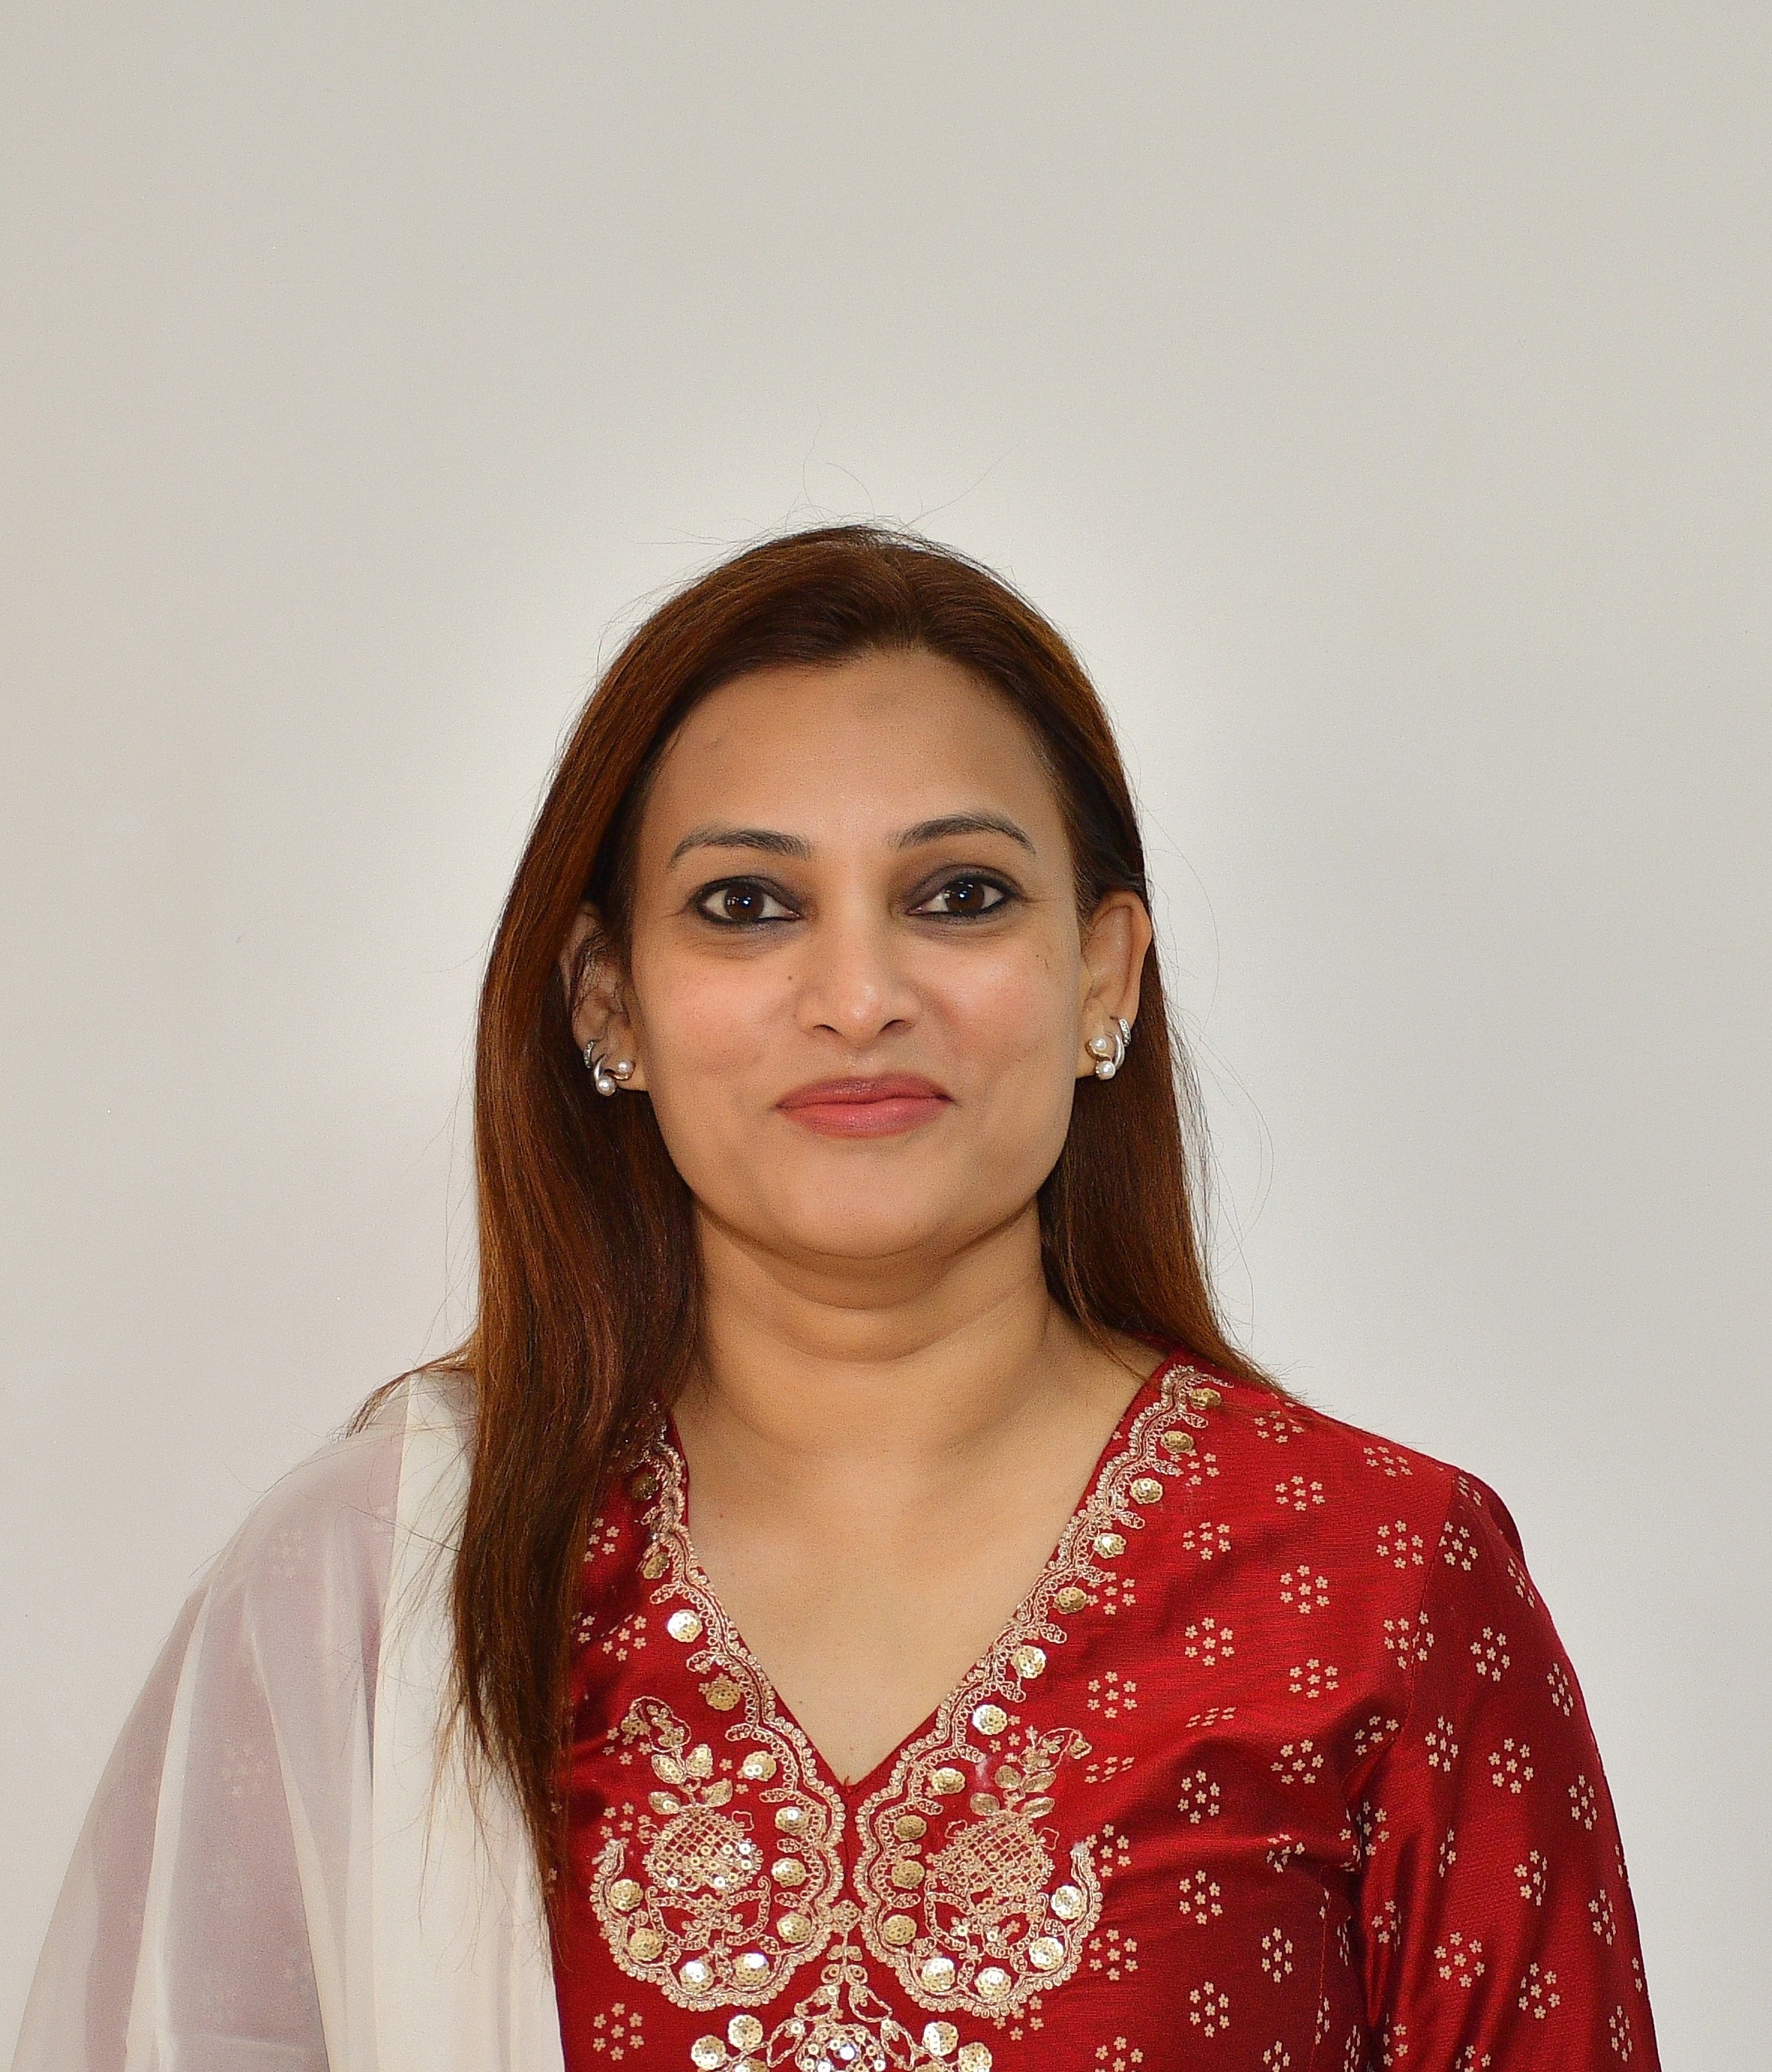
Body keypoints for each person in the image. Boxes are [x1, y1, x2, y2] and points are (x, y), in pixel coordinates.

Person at [13, 526, 1660, 2072]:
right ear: (607, 1001)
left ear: (1101, 973)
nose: (859, 996)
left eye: (958, 896)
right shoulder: (391, 1585)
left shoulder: (1375, 1582)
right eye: (747, 906)